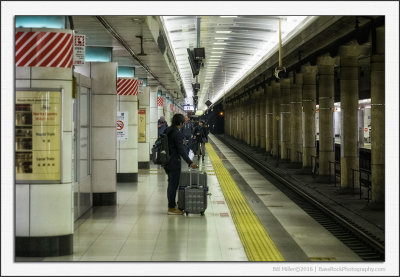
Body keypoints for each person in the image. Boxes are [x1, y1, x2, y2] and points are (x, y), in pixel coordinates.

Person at [163, 113, 198, 215]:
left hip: (167, 161)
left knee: (171, 183)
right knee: (173, 185)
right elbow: (181, 150)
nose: (183, 124)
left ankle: (171, 205)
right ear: (180, 122)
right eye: (183, 122)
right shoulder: (176, 133)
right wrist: (190, 162)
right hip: (173, 162)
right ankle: (171, 207)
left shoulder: (168, 130)